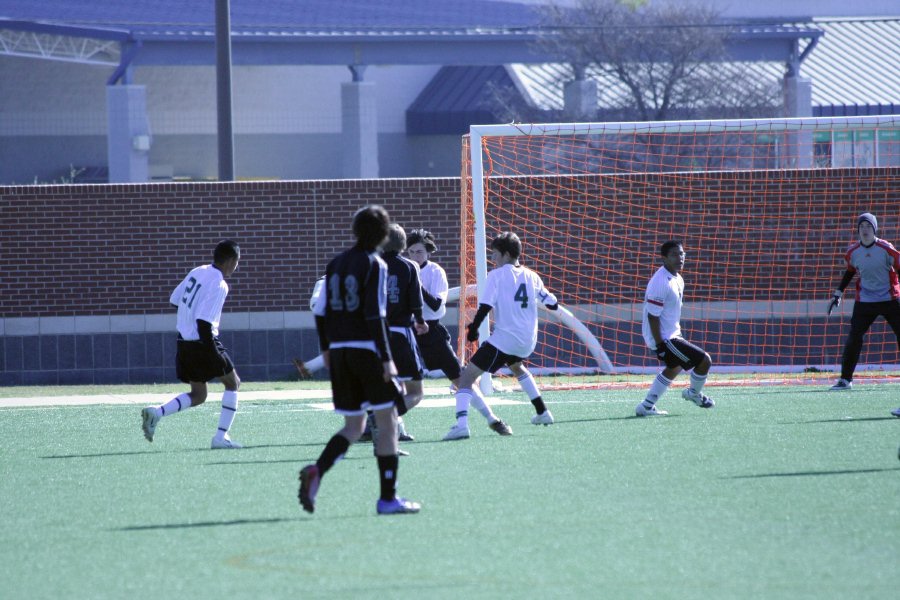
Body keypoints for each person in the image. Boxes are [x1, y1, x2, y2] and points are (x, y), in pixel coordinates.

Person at [298, 205, 420, 515]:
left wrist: (326, 348)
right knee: (388, 419)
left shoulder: (335, 264)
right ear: (382, 234)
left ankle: (318, 470)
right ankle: (388, 498)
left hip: (339, 352)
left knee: (354, 425)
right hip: (366, 350)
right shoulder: (375, 264)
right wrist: (386, 358)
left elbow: (321, 310)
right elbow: (374, 315)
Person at [446, 231, 559, 440]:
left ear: (506, 254)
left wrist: (474, 328)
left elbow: (486, 305)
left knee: (466, 378)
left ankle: (461, 424)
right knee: (516, 366)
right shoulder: (532, 276)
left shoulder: (496, 275)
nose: (492, 259)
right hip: (527, 341)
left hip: (505, 339)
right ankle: (543, 412)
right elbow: (553, 303)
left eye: (495, 254)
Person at [406, 228, 509, 440]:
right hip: (408, 332)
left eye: (419, 252)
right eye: (411, 252)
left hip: (431, 332)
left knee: (460, 377)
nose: (415, 256)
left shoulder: (435, 272)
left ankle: (492, 419)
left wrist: (416, 283)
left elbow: (435, 305)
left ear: (428, 252)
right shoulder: (404, 269)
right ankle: (391, 428)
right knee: (395, 379)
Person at [141, 240, 243, 449]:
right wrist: (214, 354)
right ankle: (220, 438)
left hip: (184, 342)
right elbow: (204, 323)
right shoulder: (219, 284)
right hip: (202, 342)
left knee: (199, 395)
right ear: (231, 261)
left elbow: (175, 299)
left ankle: (157, 413)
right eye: (237, 262)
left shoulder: (198, 271)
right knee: (233, 383)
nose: (237, 266)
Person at [636, 240, 715, 417]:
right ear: (664, 258)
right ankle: (693, 394)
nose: (679, 258)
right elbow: (652, 316)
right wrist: (661, 346)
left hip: (672, 335)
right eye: (674, 254)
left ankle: (646, 406)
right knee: (704, 360)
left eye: (681, 254)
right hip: (664, 338)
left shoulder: (678, 278)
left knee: (675, 367)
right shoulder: (660, 282)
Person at [826, 213, 900, 395]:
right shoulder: (853, 252)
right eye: (862, 226)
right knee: (854, 338)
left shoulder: (886, 249)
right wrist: (838, 294)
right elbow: (850, 271)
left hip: (890, 299)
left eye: (868, 226)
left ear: (874, 229)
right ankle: (845, 379)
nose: (865, 229)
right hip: (865, 300)